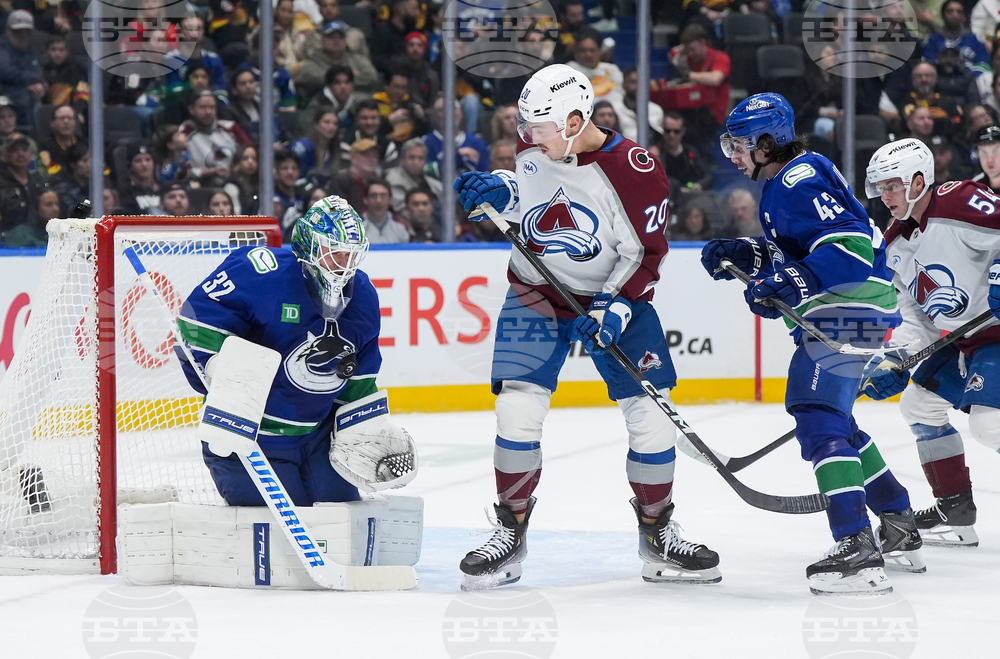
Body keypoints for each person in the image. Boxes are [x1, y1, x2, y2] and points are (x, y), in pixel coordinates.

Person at [452, 63, 721, 590]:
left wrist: (611, 309)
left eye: (539, 128)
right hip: (535, 292)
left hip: (616, 297)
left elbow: (645, 253)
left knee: (650, 417)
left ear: (575, 121)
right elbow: (535, 194)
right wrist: (500, 191)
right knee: (517, 407)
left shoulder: (635, 169)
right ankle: (510, 529)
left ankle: (657, 531)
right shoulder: (537, 142)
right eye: (524, 128)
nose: (527, 137)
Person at [700, 93, 925, 595]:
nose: (732, 155)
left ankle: (855, 545)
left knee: (816, 415)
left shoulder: (797, 179)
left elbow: (847, 249)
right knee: (838, 422)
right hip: (859, 304)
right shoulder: (789, 180)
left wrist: (791, 283)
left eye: (739, 144)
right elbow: (804, 250)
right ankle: (898, 519)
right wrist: (747, 255)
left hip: (847, 304)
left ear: (766, 142)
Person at [175, 195, 407, 507]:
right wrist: (219, 368)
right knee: (280, 536)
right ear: (309, 247)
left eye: (351, 255)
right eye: (334, 252)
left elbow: (358, 376)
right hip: (251, 438)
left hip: (318, 440)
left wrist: (367, 429)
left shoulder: (363, 294)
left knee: (340, 520)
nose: (344, 265)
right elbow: (194, 322)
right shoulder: (261, 273)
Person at [863, 137, 1000, 548]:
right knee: (919, 406)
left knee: (989, 424)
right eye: (880, 187)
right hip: (971, 342)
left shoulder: (959, 201)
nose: (885, 195)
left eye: (892, 185)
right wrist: (896, 358)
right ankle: (954, 508)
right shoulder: (896, 244)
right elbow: (918, 319)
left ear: (918, 180)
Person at [179, 88, 252, 186]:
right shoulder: (184, 132)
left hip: (234, 181)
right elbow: (180, 168)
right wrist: (209, 172)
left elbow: (250, 154)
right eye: (202, 107)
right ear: (191, 110)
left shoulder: (231, 128)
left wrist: (233, 171)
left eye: (212, 107)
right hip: (199, 184)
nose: (208, 111)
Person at [0, 11, 44, 133]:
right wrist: (31, 82)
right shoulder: (2, 47)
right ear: (8, 30)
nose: (23, 35)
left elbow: (38, 69)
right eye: (18, 32)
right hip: (5, 90)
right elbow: (5, 71)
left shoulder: (31, 48)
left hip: (26, 91)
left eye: (26, 31)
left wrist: (39, 84)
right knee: (23, 99)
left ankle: (34, 142)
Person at [384, 138, 442, 214]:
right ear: (402, 159)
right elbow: (402, 212)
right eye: (412, 157)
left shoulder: (434, 184)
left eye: (420, 158)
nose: (416, 162)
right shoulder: (393, 180)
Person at [361, 179, 409, 243]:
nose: (379, 200)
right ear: (365, 200)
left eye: (383, 196)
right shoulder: (355, 225)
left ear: (390, 200)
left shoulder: (401, 224)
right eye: (374, 196)